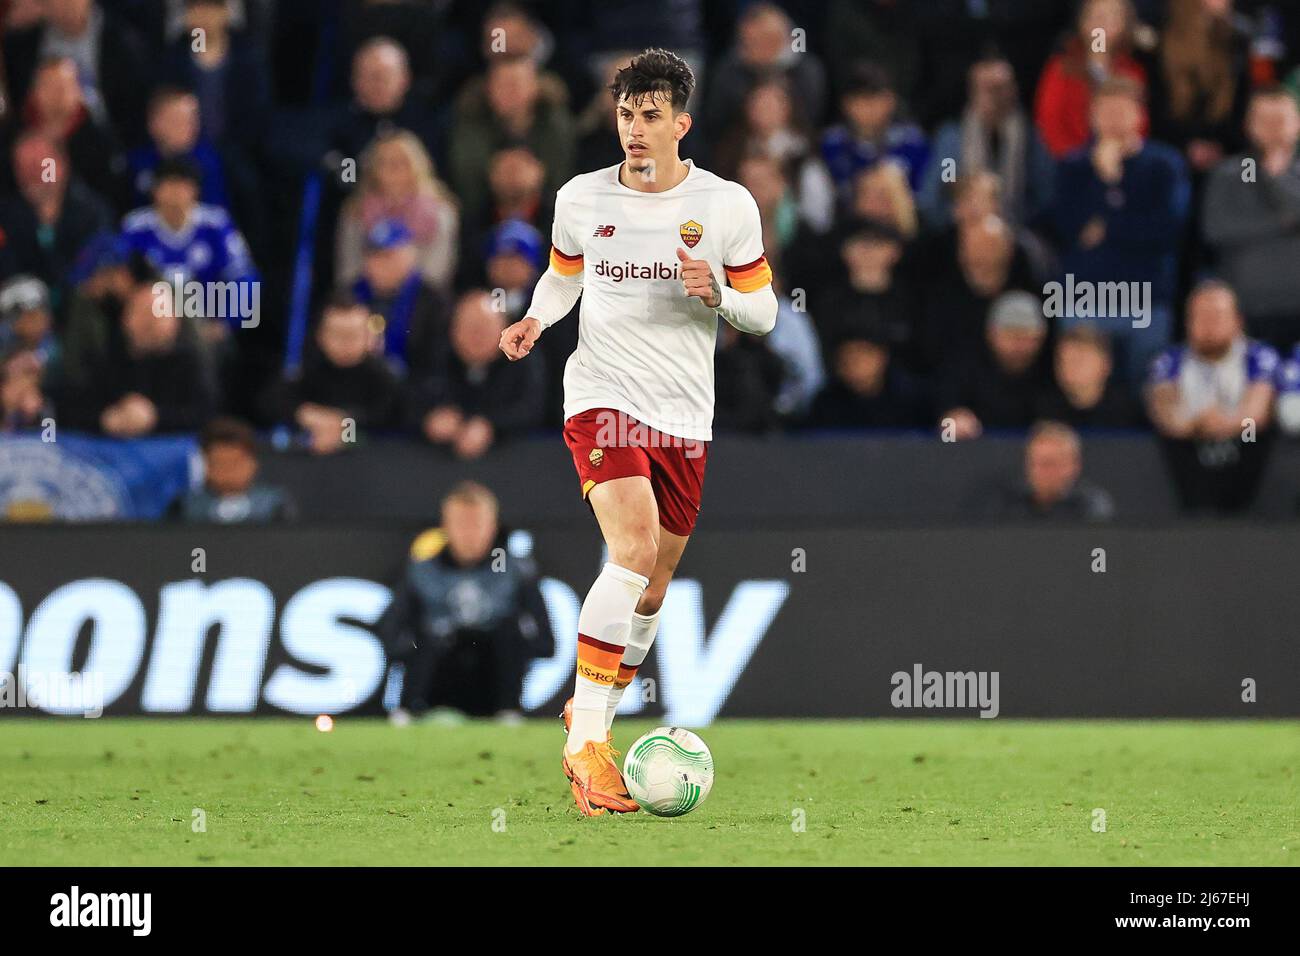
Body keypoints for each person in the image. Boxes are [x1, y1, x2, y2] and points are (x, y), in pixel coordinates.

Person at [498, 49, 776, 816]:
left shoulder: (725, 206)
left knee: (652, 588)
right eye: (626, 114)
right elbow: (564, 274)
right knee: (631, 548)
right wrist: (535, 317)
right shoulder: (582, 198)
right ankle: (586, 742)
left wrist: (718, 294)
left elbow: (765, 313)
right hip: (601, 394)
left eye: (652, 116)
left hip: (685, 414)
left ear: (681, 124)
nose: (635, 129)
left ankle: (598, 721)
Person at [379, 481, 554, 722]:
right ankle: (409, 711)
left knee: (508, 630)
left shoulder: (516, 571)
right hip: (435, 681)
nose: (469, 533)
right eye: (461, 524)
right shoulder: (422, 571)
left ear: (493, 526)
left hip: (492, 682)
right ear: (445, 526)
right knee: (424, 633)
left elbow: (546, 641)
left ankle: (508, 712)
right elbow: (390, 632)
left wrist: (515, 645)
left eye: (477, 524)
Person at [1145, 281, 1278, 513]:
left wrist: (1227, 424)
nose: (1209, 325)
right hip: (1189, 451)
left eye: (1217, 315)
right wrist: (1195, 425)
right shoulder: (1169, 361)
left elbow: (1255, 415)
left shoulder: (1258, 357)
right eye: (1200, 316)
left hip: (1246, 446)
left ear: (1238, 321)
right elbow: (1166, 413)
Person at [169, 417, 295, 523]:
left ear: (253, 463)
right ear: (205, 464)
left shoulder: (275, 504)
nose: (228, 471)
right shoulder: (186, 506)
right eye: (220, 463)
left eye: (235, 462)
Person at [989, 421, 1116, 521]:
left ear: (1074, 465)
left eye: (1049, 464)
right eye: (1034, 463)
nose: (1039, 471)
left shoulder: (1091, 505)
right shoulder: (1010, 504)